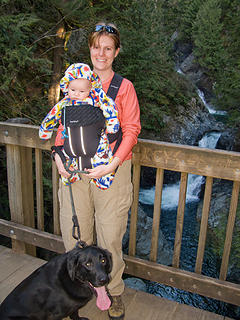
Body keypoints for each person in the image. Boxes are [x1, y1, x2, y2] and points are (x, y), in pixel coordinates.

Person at [53, 22, 141, 320]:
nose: (100, 53)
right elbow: (62, 125)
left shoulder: (123, 87)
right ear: (89, 48)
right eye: (96, 46)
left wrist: (112, 163)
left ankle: (113, 293)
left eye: (107, 48)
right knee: (75, 234)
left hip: (112, 172)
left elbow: (131, 131)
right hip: (75, 171)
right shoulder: (76, 80)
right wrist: (56, 154)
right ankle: (77, 292)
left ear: (116, 52)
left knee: (109, 236)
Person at [39, 62, 120, 190]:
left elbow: (109, 107)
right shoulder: (65, 103)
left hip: (96, 142)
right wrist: (46, 130)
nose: (76, 94)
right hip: (71, 143)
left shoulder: (96, 98)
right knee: (67, 159)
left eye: (82, 91)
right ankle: (70, 176)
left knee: (103, 155)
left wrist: (112, 124)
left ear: (90, 88)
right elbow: (52, 115)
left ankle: (103, 179)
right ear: (66, 87)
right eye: (73, 90)